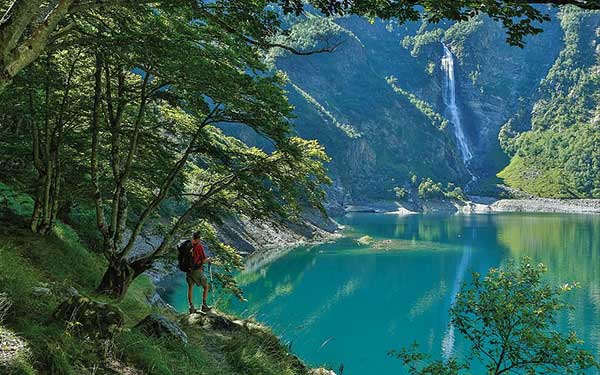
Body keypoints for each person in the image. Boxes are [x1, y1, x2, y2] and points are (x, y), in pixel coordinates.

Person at [186, 231, 211, 314]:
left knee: (190, 287)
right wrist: (208, 260)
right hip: (196, 270)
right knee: (206, 286)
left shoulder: (188, 246)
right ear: (198, 239)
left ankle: (191, 307)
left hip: (188, 270)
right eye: (200, 238)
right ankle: (204, 306)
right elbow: (203, 260)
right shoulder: (198, 246)